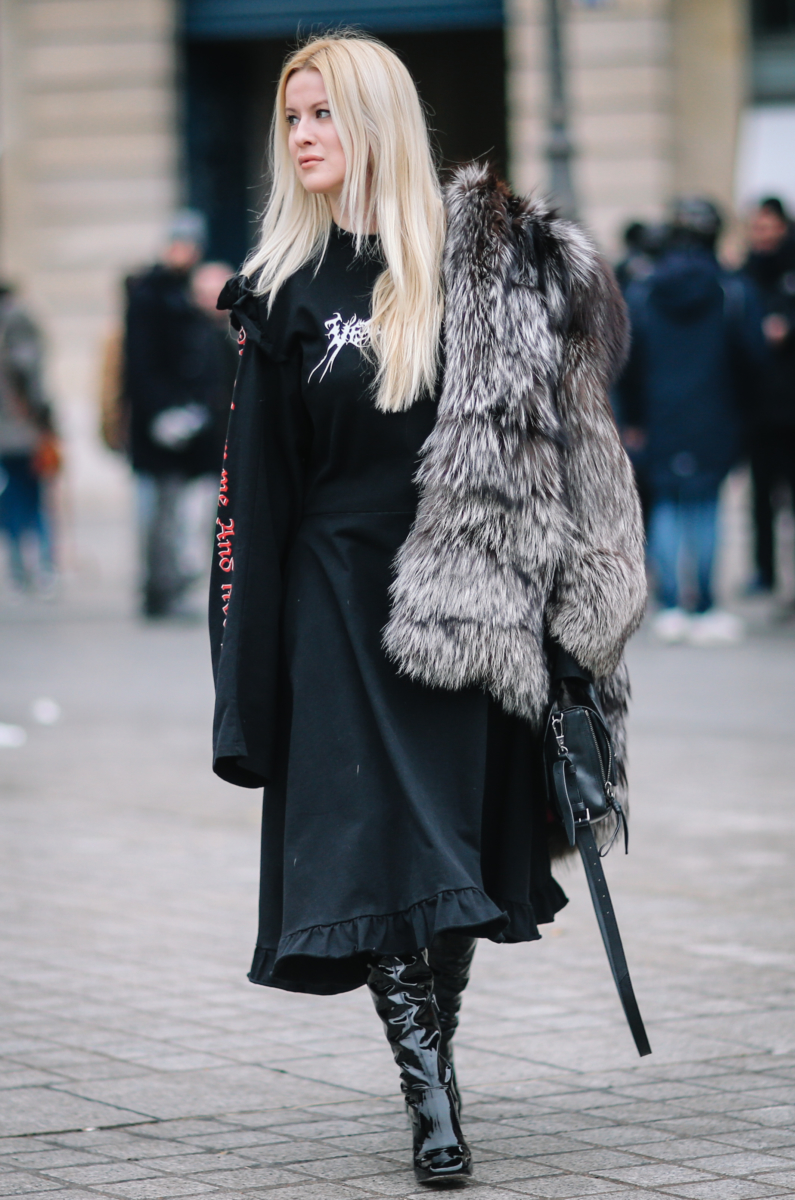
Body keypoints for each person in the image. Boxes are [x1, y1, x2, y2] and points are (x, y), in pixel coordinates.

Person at [209, 33, 646, 1185]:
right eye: (290, 116)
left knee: (452, 858)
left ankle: (432, 1051)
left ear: (378, 124)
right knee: (385, 853)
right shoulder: (280, 293)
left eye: (324, 113)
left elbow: (570, 454)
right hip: (334, 608)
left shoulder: (485, 274)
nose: (302, 134)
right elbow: (255, 492)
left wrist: (575, 623)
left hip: (471, 608)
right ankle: (430, 1098)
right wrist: (243, 676)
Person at [618, 197, 766, 645]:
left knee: (666, 504)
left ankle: (671, 606)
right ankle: (702, 604)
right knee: (706, 506)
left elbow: (627, 360)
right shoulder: (733, 291)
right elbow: (753, 360)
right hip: (717, 414)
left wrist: (633, 417)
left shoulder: (643, 292)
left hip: (661, 414)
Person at [124, 213, 231, 617]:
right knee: (157, 511)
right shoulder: (150, 295)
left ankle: (171, 584)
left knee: (185, 512)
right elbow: (141, 364)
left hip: (192, 423)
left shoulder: (192, 298)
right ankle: (158, 588)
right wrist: (161, 410)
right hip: (159, 424)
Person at [741, 197, 795, 597]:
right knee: (760, 498)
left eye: (768, 226)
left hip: (794, 407)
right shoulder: (745, 271)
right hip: (758, 406)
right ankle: (765, 572)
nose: (763, 234)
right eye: (756, 227)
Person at [0, 284, 59, 593]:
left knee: (11, 500)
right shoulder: (18, 321)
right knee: (34, 500)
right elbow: (28, 375)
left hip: (11, 431)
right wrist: (46, 420)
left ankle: (20, 568)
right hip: (22, 430)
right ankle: (44, 567)